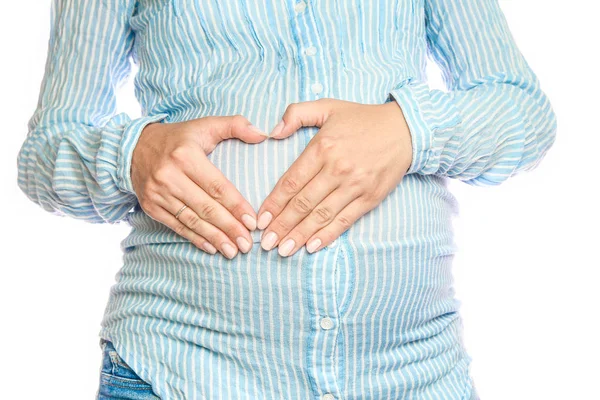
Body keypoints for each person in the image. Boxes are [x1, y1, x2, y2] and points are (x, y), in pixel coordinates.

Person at [16, 0, 557, 399]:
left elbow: (523, 113)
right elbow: (46, 150)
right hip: (180, 370)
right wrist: (132, 155)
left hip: (414, 376)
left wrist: (410, 129)